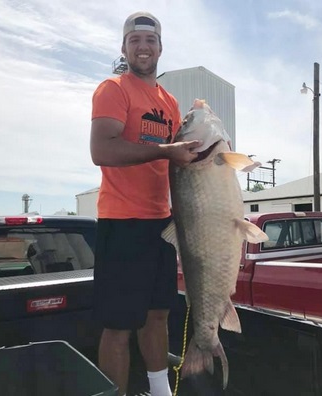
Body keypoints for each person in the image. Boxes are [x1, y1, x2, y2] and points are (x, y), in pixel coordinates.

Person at [90, 11, 202, 396]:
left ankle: (159, 390)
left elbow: (175, 158)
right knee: (119, 325)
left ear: (160, 48)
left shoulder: (168, 100)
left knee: (158, 315)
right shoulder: (113, 88)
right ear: (124, 47)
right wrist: (168, 149)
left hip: (163, 224)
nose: (143, 47)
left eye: (150, 41)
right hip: (122, 222)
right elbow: (101, 149)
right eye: (135, 40)